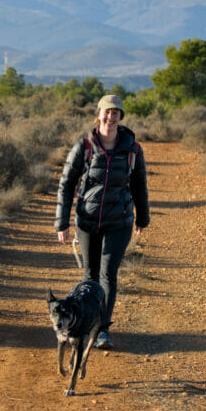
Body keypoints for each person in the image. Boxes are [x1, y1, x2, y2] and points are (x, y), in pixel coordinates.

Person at [55, 94, 149, 349]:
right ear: (98, 114)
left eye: (115, 113)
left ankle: (102, 330)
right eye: (107, 112)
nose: (110, 117)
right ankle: (85, 324)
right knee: (90, 275)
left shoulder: (132, 148)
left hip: (119, 221)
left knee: (108, 274)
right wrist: (61, 223)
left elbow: (139, 184)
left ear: (120, 117)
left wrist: (143, 217)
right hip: (87, 221)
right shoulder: (84, 146)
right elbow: (67, 184)